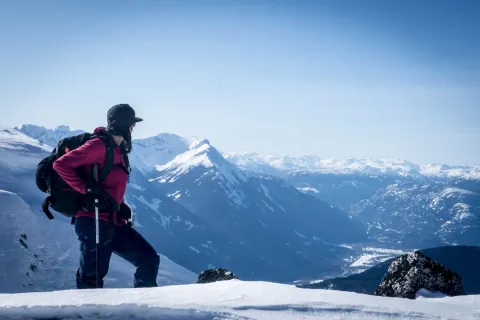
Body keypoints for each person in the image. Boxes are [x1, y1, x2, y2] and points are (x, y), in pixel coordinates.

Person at [53, 104, 160, 289]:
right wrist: (85, 188)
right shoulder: (98, 145)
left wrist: (121, 204)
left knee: (149, 259)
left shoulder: (118, 149)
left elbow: (108, 183)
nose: (133, 129)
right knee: (92, 277)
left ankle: (144, 309)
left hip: (113, 220)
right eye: (132, 124)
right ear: (125, 124)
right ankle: (87, 316)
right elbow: (61, 164)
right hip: (92, 220)